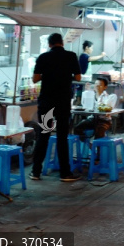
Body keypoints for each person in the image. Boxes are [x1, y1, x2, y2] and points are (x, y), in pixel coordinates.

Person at [30, 32, 82, 182]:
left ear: (49, 44)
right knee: (62, 136)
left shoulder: (43, 57)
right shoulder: (71, 56)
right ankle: (65, 173)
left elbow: (35, 79)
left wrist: (48, 74)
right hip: (63, 103)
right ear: (62, 43)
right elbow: (78, 77)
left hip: (47, 103)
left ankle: (36, 172)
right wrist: (65, 76)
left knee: (44, 134)